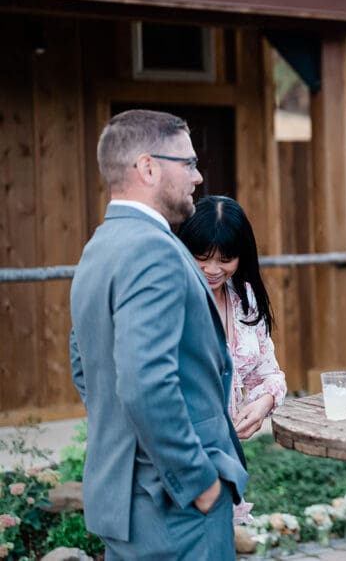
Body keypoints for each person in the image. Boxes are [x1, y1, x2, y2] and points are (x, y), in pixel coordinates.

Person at [69, 109, 247, 559]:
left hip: (126, 498)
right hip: (175, 509)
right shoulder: (153, 250)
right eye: (187, 163)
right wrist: (199, 483)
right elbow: (146, 384)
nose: (199, 176)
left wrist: (125, 435)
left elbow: (82, 359)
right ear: (148, 167)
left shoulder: (102, 244)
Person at [177, 196, 286, 523]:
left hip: (228, 457)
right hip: (183, 458)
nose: (213, 270)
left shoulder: (246, 300)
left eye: (225, 259)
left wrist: (264, 402)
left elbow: (271, 375)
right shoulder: (173, 298)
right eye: (202, 257)